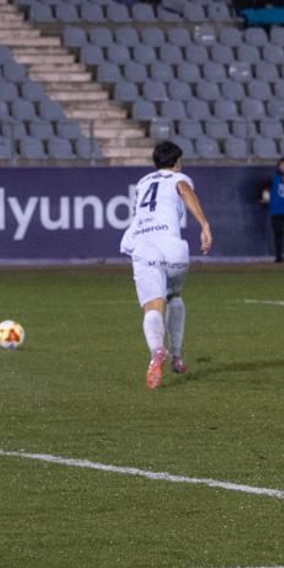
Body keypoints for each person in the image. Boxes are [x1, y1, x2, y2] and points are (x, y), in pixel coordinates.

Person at [120, 141, 211, 389]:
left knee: (153, 305)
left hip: (144, 245)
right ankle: (177, 356)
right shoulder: (179, 177)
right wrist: (204, 225)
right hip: (174, 248)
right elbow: (184, 188)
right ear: (177, 162)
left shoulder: (143, 182)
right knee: (174, 297)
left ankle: (157, 350)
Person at [265, 158, 284, 262]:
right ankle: (279, 256)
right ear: (278, 166)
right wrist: (265, 199)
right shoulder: (273, 178)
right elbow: (265, 190)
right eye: (282, 165)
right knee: (278, 234)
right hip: (277, 211)